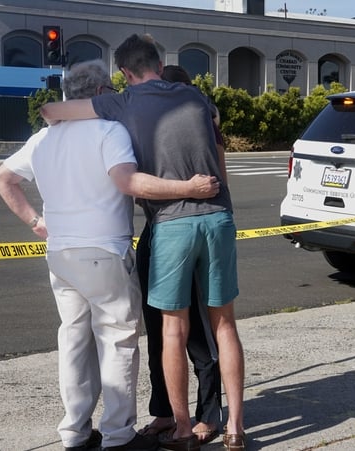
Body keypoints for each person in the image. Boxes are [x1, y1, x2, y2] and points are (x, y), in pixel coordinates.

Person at [0, 59, 220, 451]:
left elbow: (2, 178)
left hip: (60, 252)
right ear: (99, 94)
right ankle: (118, 434)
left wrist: (35, 221)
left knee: (74, 342)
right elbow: (128, 182)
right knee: (117, 340)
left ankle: (75, 432)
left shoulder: (43, 139)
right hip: (104, 249)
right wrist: (188, 188)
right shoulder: (110, 131)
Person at [41, 34, 246, 451]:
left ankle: (182, 428)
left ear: (124, 73)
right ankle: (235, 429)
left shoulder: (122, 102)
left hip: (171, 222)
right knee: (224, 324)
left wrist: (77, 115)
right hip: (218, 217)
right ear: (160, 63)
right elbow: (214, 124)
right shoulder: (195, 96)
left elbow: (50, 111)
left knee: (172, 329)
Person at [136, 64, 225, 447]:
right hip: (155, 231)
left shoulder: (201, 124)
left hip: (190, 229)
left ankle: (208, 414)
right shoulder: (147, 126)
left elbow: (217, 183)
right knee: (158, 330)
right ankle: (165, 411)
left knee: (198, 334)